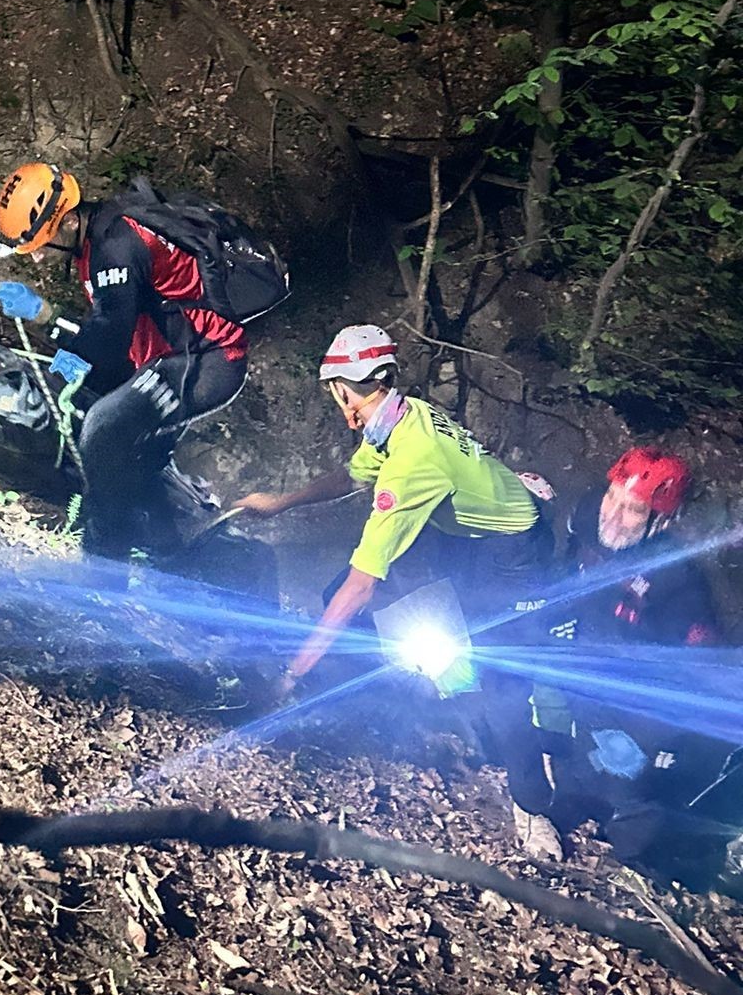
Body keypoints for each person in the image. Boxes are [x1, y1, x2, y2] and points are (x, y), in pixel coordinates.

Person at [233, 324, 560, 855]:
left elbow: (362, 587)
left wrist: (293, 671)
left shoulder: (411, 459)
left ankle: (532, 802)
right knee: (347, 596)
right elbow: (352, 476)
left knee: (504, 690)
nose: (338, 401)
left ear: (346, 386)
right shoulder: (398, 418)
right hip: (465, 534)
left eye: (336, 388)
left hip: (516, 554)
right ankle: (383, 698)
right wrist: (281, 501)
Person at [0, 163, 258, 561]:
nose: (39, 260)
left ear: (65, 223)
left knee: (103, 430)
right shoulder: (99, 238)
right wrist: (46, 316)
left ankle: (103, 560)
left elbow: (110, 332)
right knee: (135, 455)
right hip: (170, 358)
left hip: (208, 359)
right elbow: (112, 325)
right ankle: (167, 548)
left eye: (41, 246)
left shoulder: (115, 245)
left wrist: (70, 360)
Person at [543, 450, 740, 884]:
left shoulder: (676, 582)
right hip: (589, 666)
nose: (613, 514)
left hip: (638, 694)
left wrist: (647, 735)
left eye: (633, 509)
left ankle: (644, 868)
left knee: (626, 778)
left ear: (659, 522)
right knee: (578, 755)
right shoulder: (588, 514)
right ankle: (572, 807)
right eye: (614, 497)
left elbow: (692, 670)